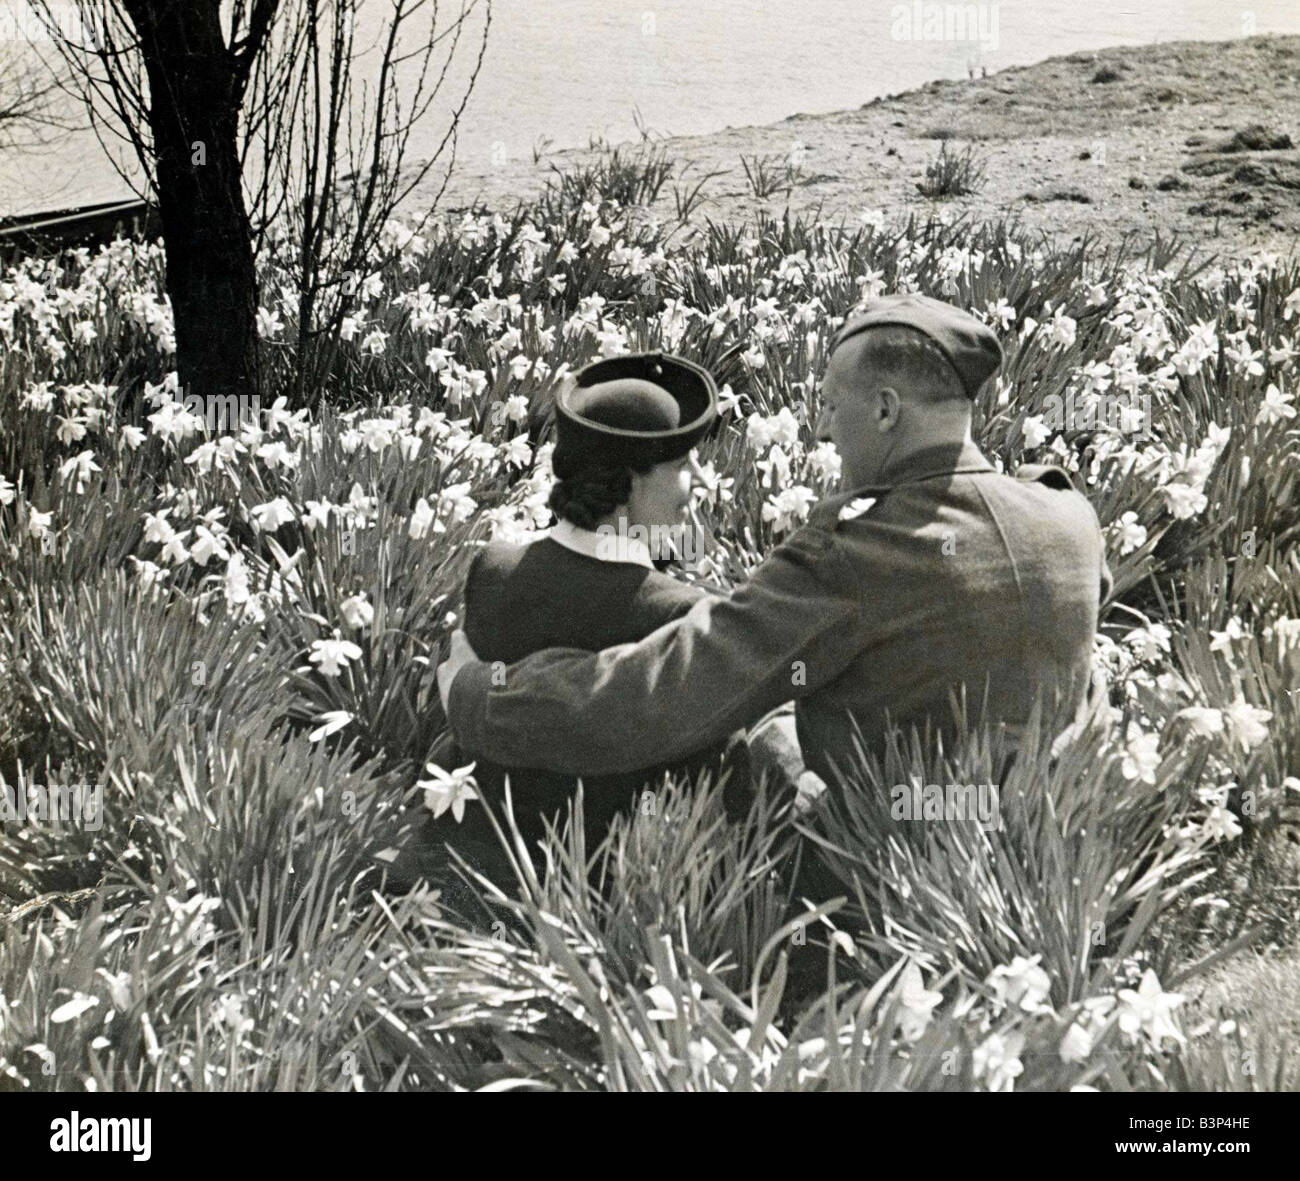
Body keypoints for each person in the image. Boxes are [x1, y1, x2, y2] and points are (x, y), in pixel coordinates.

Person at [436, 294, 1113, 810]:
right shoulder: (1069, 519)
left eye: (831, 404)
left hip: (876, 882)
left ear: (883, 410)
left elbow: (656, 694)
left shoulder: (854, 554)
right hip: (1042, 849)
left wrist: (479, 693)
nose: (823, 427)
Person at [432, 350, 748, 859]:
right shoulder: (680, 615)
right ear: (630, 481)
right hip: (603, 897)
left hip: (473, 869)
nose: (701, 482)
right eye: (682, 464)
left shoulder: (492, 570)